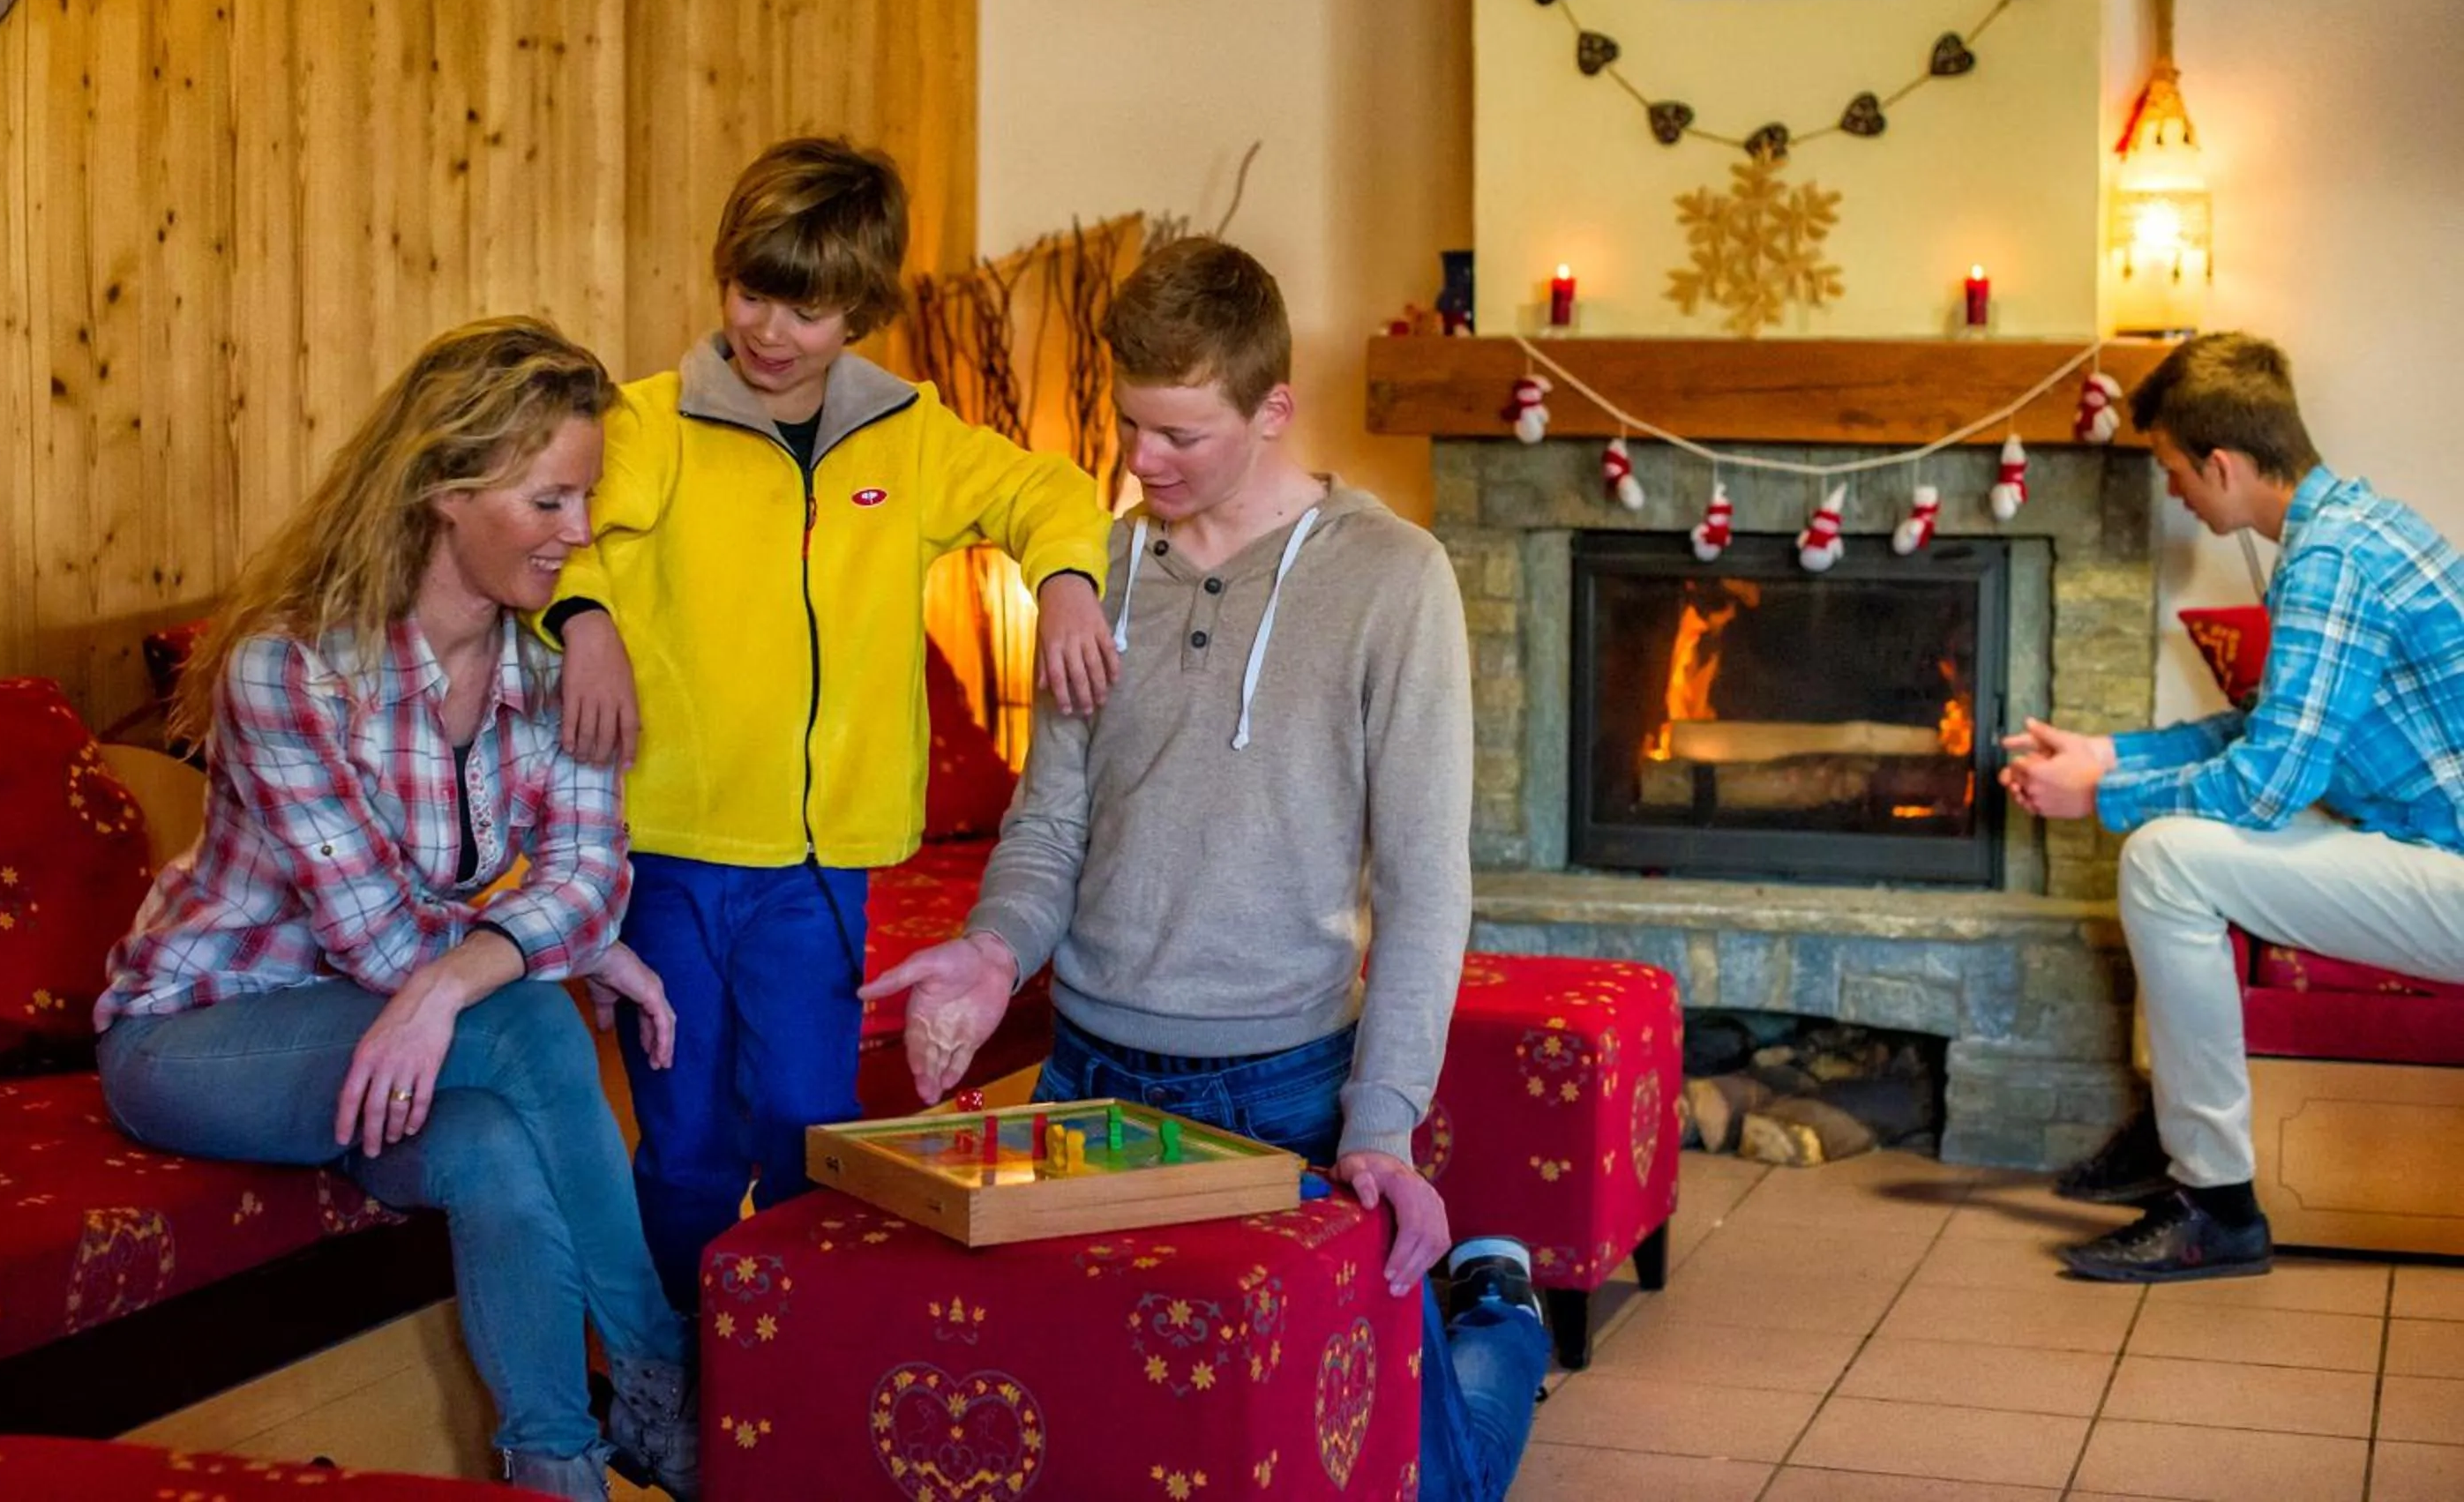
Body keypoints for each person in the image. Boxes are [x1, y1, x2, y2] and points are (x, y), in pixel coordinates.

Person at [863, 237, 1553, 1502]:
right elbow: (1049, 827)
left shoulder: (1395, 578)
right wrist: (994, 949)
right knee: (1118, 1457)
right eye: (1131, 424)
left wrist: (1384, 1121)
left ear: (1274, 409)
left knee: (1422, 1489)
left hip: (1284, 1091)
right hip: (1088, 1079)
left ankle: (1499, 1309)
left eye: (1180, 433)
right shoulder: (1096, 571)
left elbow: (1424, 885)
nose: (1143, 459)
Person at [96, 320, 696, 1501]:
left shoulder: (558, 672)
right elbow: (380, 938)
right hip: (203, 1033)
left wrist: (509, 961)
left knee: (489, 1147)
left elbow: (593, 879)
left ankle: (555, 1464)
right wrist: (546, 957)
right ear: (442, 491)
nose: (580, 533)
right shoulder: (290, 669)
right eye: (548, 501)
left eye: (586, 498)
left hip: (394, 1037)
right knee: (532, 1024)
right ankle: (662, 1375)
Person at [543, 136, 1118, 1309]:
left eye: (805, 311)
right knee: (686, 1141)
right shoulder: (646, 424)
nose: (769, 331)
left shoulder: (908, 433)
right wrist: (585, 617)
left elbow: (1050, 490)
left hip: (817, 869)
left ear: (858, 310)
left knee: (810, 1127)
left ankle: (794, 1357)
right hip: (668, 851)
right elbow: (560, 529)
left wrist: (1064, 579)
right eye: (751, 293)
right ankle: (678, 1364)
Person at [2001, 332, 2464, 1282]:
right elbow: (2265, 730)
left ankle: (2215, 1206)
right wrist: (2107, 753)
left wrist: (2101, 795)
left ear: (2221, 463)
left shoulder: (2332, 561)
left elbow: (2264, 787)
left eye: (2173, 470)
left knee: (2165, 858)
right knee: (2180, 838)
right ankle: (2179, 1124)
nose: (2172, 492)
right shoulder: (2347, 530)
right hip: (2424, 844)